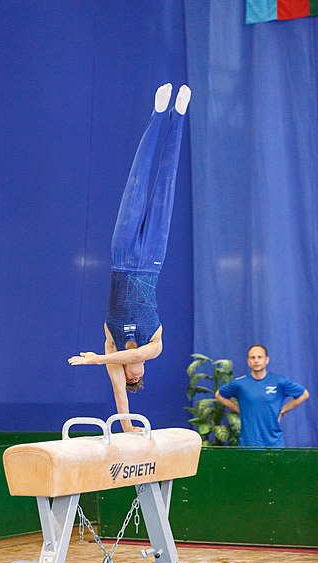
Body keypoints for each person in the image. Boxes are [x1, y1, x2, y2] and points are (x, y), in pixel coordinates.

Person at [69, 83, 191, 431]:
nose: (134, 371)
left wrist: (125, 425)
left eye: (130, 375)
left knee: (136, 184)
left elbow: (120, 396)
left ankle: (157, 115)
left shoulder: (111, 343)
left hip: (122, 257)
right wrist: (100, 360)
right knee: (165, 186)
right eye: (138, 375)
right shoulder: (153, 347)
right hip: (152, 259)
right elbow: (134, 355)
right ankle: (178, 117)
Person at [215, 344, 309, 447]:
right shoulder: (240, 383)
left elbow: (304, 394)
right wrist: (241, 410)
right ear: (248, 361)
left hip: (274, 443)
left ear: (266, 360)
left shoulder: (279, 382)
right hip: (248, 443)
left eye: (260, 357)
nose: (256, 360)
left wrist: (282, 411)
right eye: (253, 357)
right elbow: (219, 395)